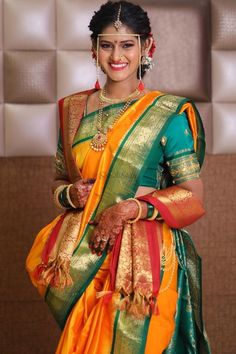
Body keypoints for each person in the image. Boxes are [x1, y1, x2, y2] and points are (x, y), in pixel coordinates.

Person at [26, 1, 211, 353]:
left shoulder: (168, 113)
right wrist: (70, 196)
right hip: (81, 254)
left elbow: (192, 195)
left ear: (147, 47)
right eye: (107, 44)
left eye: (127, 44)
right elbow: (59, 181)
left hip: (141, 265)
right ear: (93, 49)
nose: (117, 55)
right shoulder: (72, 110)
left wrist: (128, 209)